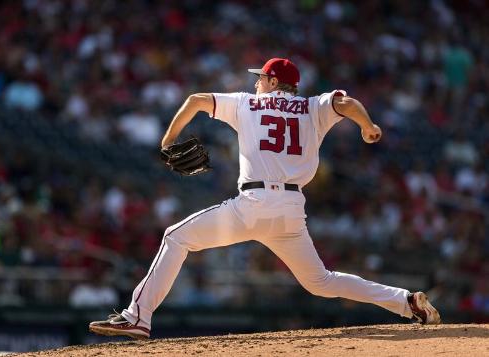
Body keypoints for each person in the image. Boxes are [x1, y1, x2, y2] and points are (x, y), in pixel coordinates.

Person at [89, 58, 441, 340]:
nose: (256, 82)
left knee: (175, 237)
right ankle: (406, 301)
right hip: (290, 211)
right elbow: (345, 102)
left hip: (253, 204)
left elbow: (195, 100)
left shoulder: (248, 103)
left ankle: (137, 317)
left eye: (261, 77)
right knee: (321, 282)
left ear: (274, 82)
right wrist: (368, 126)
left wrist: (167, 142)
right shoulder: (312, 106)